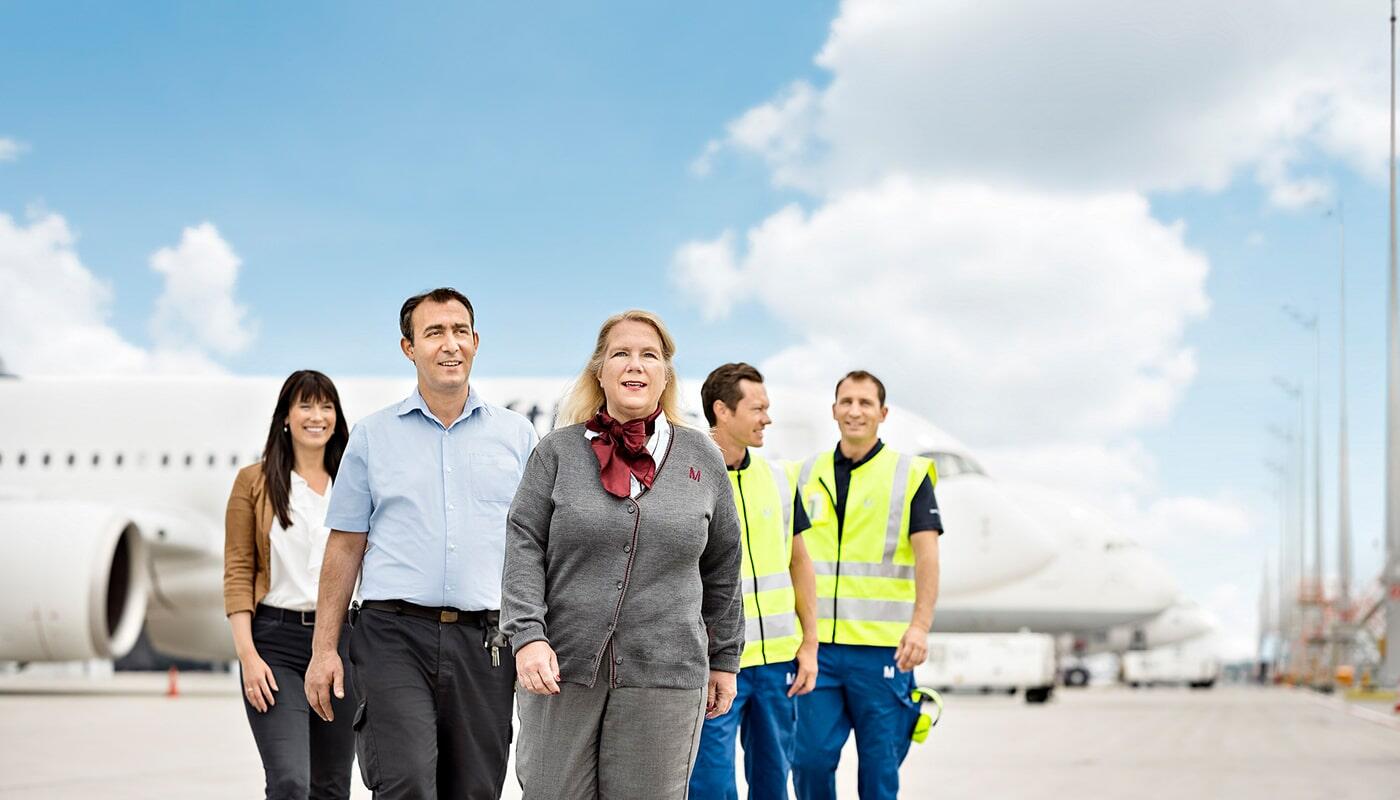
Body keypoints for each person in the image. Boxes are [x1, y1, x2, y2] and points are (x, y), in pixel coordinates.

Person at [303, 288, 537, 800]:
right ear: (409, 348)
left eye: (459, 332)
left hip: (487, 642)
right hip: (393, 635)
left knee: (475, 789)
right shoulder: (371, 436)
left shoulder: (518, 437)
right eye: (433, 333)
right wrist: (324, 650)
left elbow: (535, 548)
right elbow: (344, 547)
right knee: (405, 781)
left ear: (476, 342)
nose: (449, 345)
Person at [502, 309, 744, 800]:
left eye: (649, 355)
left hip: (666, 673)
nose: (635, 365)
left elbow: (723, 568)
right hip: (561, 670)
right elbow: (523, 544)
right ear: (600, 370)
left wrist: (725, 660)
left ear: (665, 373)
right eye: (621, 354)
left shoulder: (702, 457)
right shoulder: (557, 453)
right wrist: (527, 635)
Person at [792, 370, 942, 800]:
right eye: (847, 402)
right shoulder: (805, 474)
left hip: (883, 651)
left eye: (865, 403)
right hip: (816, 650)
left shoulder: (909, 475)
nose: (855, 411)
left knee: (879, 772)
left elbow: (928, 559)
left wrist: (920, 626)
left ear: (882, 413)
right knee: (809, 761)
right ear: (834, 410)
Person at [223, 369, 357, 800]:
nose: (316, 415)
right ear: (285, 416)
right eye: (305, 405)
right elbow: (239, 571)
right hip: (275, 644)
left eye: (326, 405)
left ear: (336, 416)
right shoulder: (254, 483)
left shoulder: (355, 485)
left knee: (331, 787)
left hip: (341, 643)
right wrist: (248, 657)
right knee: (289, 783)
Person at [689, 362, 819, 800]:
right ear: (722, 411)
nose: (767, 418)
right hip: (714, 663)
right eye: (758, 408)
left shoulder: (780, 480)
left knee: (772, 784)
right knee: (710, 785)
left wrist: (810, 644)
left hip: (777, 663)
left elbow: (801, 564)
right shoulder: (687, 477)